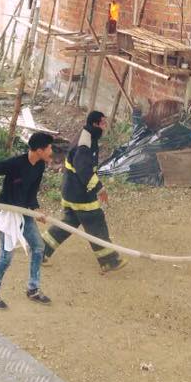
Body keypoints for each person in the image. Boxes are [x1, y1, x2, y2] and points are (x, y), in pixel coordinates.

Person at [0, 132, 54, 309]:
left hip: (24, 212)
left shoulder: (40, 165)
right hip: (7, 212)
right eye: (49, 148)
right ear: (39, 150)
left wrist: (35, 209)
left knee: (39, 247)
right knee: (6, 255)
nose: (51, 151)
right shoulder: (16, 164)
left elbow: (32, 190)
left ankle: (33, 289)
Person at [41, 111, 126, 274]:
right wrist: (99, 188)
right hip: (79, 193)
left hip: (72, 190)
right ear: (94, 124)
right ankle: (109, 260)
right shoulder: (84, 143)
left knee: (70, 222)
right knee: (95, 221)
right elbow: (84, 170)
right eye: (102, 123)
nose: (105, 126)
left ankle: (40, 250)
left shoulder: (88, 136)